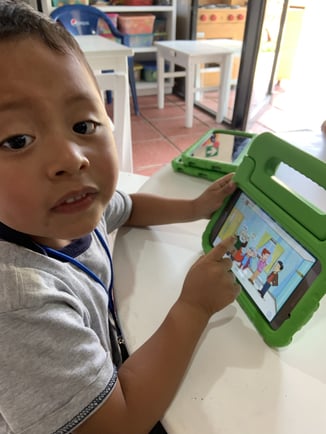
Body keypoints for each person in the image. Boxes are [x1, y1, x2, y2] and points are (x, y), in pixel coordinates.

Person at [0, 2, 240, 434]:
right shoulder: (16, 301)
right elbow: (117, 425)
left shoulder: (66, 209)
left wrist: (193, 209)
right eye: (17, 140)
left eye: (83, 125)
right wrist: (193, 306)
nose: (71, 159)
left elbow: (125, 207)